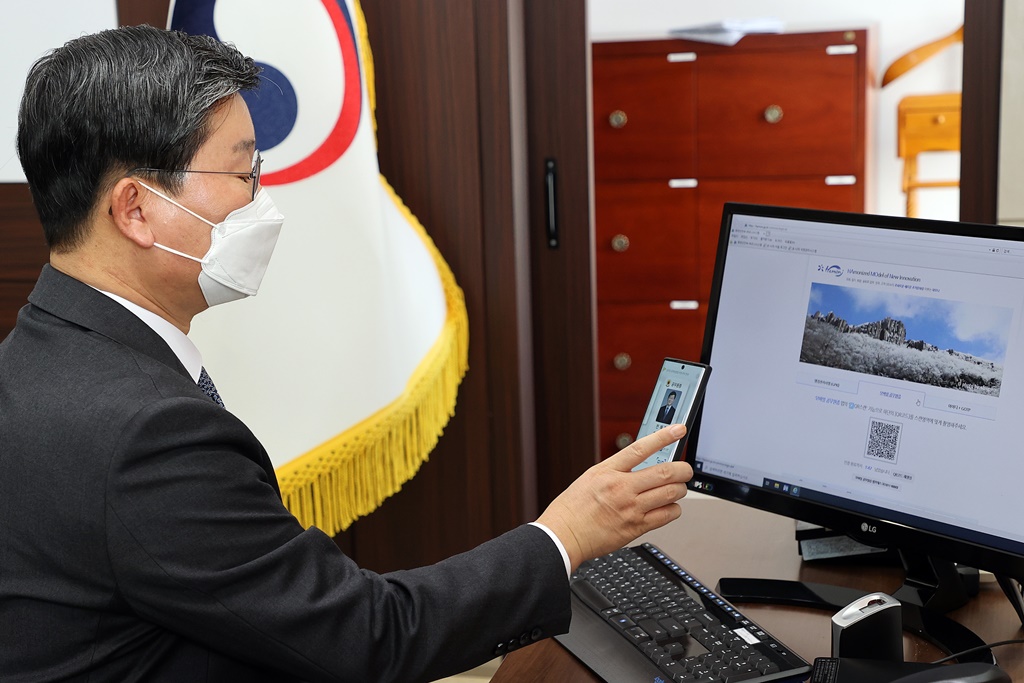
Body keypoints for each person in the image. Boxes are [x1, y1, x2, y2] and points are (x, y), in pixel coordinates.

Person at [0, 26, 693, 682]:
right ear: (135, 209)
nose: (260, 200)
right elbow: (369, 639)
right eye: (243, 173)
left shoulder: (36, 356)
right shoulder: (146, 435)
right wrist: (567, 531)